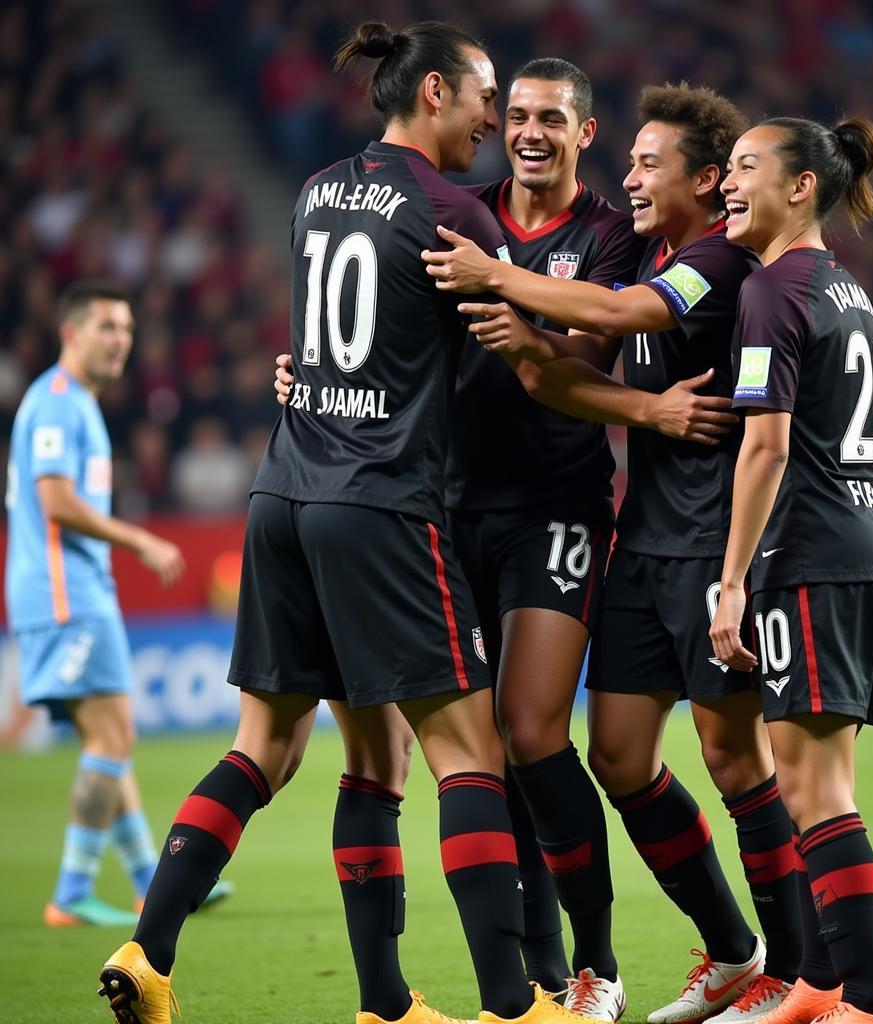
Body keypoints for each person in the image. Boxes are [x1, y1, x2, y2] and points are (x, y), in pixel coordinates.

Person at [98, 22, 605, 1024]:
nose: (493, 120)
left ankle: (164, 953)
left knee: (284, 749)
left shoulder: (315, 190)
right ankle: (517, 1005)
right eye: (483, 98)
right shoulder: (455, 214)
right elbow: (521, 360)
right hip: (378, 501)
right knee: (470, 750)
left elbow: (350, 336)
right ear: (430, 97)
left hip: (282, 489)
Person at [421, 84, 873, 1024]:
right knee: (616, 753)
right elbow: (581, 363)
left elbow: (639, 319)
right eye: (634, 161)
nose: (633, 178)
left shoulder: (724, 266)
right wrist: (545, 358)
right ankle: (739, 954)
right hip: (643, 542)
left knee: (741, 765)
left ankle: (800, 971)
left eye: (654, 164)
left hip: (716, 548)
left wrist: (501, 282)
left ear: (707, 179)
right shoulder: (651, 253)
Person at [274, 60, 734, 1018]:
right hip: (441, 507)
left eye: (550, 119)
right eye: (515, 113)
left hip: (555, 506)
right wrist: (312, 374)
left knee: (530, 732)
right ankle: (538, 973)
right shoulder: (462, 212)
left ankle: (597, 966)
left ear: (584, 133)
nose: (527, 130)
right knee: (484, 745)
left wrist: (631, 403)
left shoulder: (608, 235)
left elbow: (570, 368)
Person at [709, 116, 873, 1024]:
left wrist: (731, 580)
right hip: (870, 543)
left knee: (814, 789)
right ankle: (823, 986)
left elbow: (767, 450)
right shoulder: (846, 289)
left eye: (747, 167)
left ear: (800, 189)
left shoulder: (772, 289)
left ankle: (872, 1003)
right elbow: (845, 427)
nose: (727, 182)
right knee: (815, 779)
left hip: (816, 556)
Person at [3, 280, 226, 926]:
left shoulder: (80, 405)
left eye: (126, 329)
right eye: (106, 327)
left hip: (75, 590)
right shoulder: (57, 404)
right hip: (63, 592)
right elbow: (56, 502)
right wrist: (140, 540)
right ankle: (71, 892)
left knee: (111, 736)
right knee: (115, 733)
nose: (120, 340)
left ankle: (148, 882)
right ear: (70, 332)